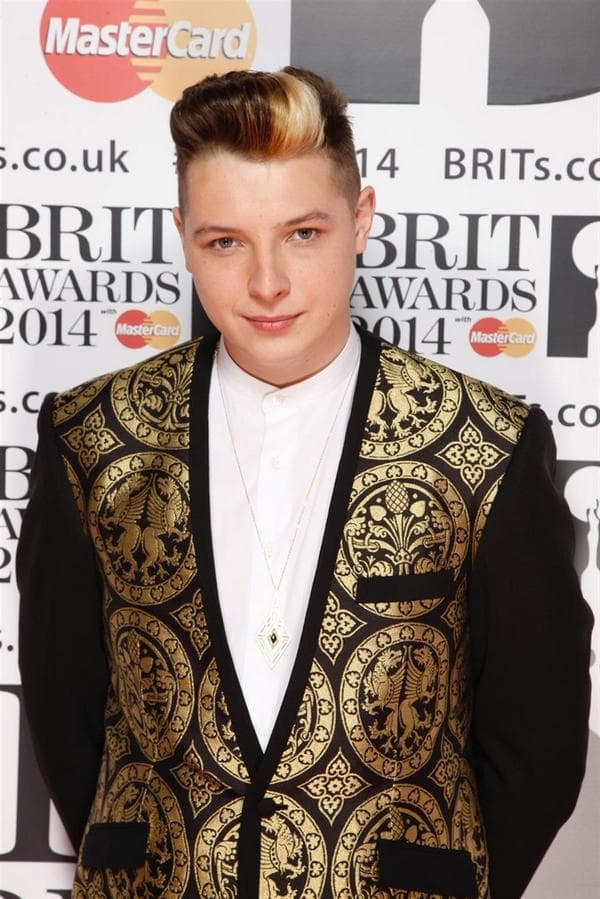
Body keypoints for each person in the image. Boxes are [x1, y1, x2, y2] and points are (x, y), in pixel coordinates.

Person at [17, 67, 592, 899]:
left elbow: (537, 744)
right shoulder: (94, 438)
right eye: (225, 242)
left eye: (303, 233)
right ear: (183, 236)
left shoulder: (485, 444)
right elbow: (65, 710)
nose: (267, 283)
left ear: (361, 221)